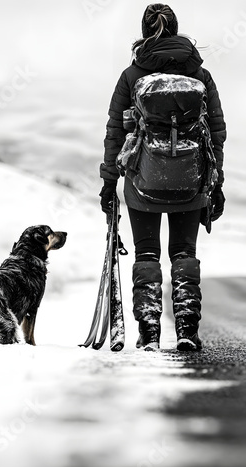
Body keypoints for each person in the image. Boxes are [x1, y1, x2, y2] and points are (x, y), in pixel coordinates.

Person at [99, 4, 226, 351]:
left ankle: (150, 332)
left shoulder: (131, 75)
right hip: (192, 179)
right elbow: (216, 131)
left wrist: (109, 182)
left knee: (147, 254)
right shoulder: (200, 74)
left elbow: (115, 131)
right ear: (177, 29)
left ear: (144, 30)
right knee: (184, 252)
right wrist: (216, 180)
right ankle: (186, 328)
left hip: (143, 180)